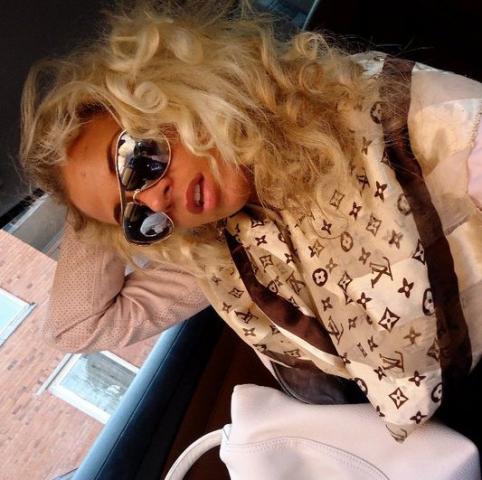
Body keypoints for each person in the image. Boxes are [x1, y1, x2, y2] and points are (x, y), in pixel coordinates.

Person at [20, 0, 482, 446]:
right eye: (137, 218)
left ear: (170, 91)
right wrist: (83, 196)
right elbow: (78, 327)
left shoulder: (385, 112)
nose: (156, 200)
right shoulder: (218, 255)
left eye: (138, 160)